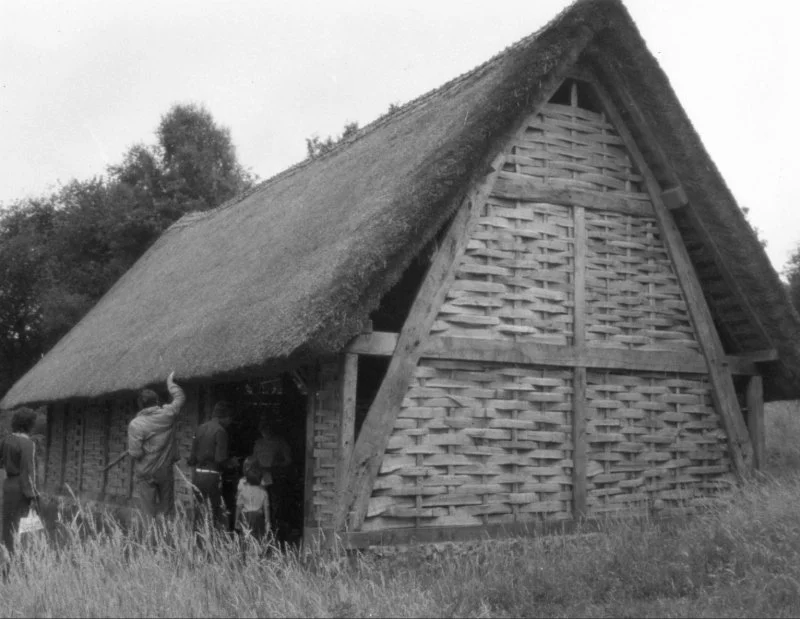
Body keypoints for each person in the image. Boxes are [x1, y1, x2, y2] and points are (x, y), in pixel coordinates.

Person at [127, 371, 185, 519]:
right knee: (168, 512)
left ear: (140, 405)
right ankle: (168, 540)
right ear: (157, 402)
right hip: (164, 471)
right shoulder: (168, 414)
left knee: (148, 514)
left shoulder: (136, 424)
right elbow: (180, 397)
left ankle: (150, 541)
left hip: (145, 473)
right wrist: (170, 383)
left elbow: (135, 454)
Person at [188, 401, 237, 529]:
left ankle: (196, 543)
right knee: (212, 512)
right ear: (225, 417)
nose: (230, 422)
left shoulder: (200, 428)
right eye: (230, 418)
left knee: (199, 512)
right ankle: (208, 544)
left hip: (197, 476)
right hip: (212, 477)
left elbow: (191, 459)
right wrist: (232, 463)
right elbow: (220, 459)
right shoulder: (221, 431)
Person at [1, 407, 39, 556]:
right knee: (23, 525)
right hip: (21, 488)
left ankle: (6, 558)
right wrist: (32, 495)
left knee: (8, 523)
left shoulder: (6, 440)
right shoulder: (28, 444)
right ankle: (20, 561)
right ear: (29, 424)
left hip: (8, 485)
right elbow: (27, 471)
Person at [250, 419, 292, 533]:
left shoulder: (280, 442)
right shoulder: (258, 443)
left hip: (274, 475)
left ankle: (274, 528)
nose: (266, 431)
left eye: (268, 428)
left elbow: (288, 460)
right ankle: (260, 528)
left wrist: (277, 465)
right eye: (263, 429)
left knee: (274, 502)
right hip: (260, 475)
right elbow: (253, 458)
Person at [235, 457, 270, 539]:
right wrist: (267, 521)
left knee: (246, 539)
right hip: (258, 516)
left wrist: (236, 520)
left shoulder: (242, 484)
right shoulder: (262, 487)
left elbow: (239, 506)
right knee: (258, 538)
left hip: (246, 515)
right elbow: (266, 507)